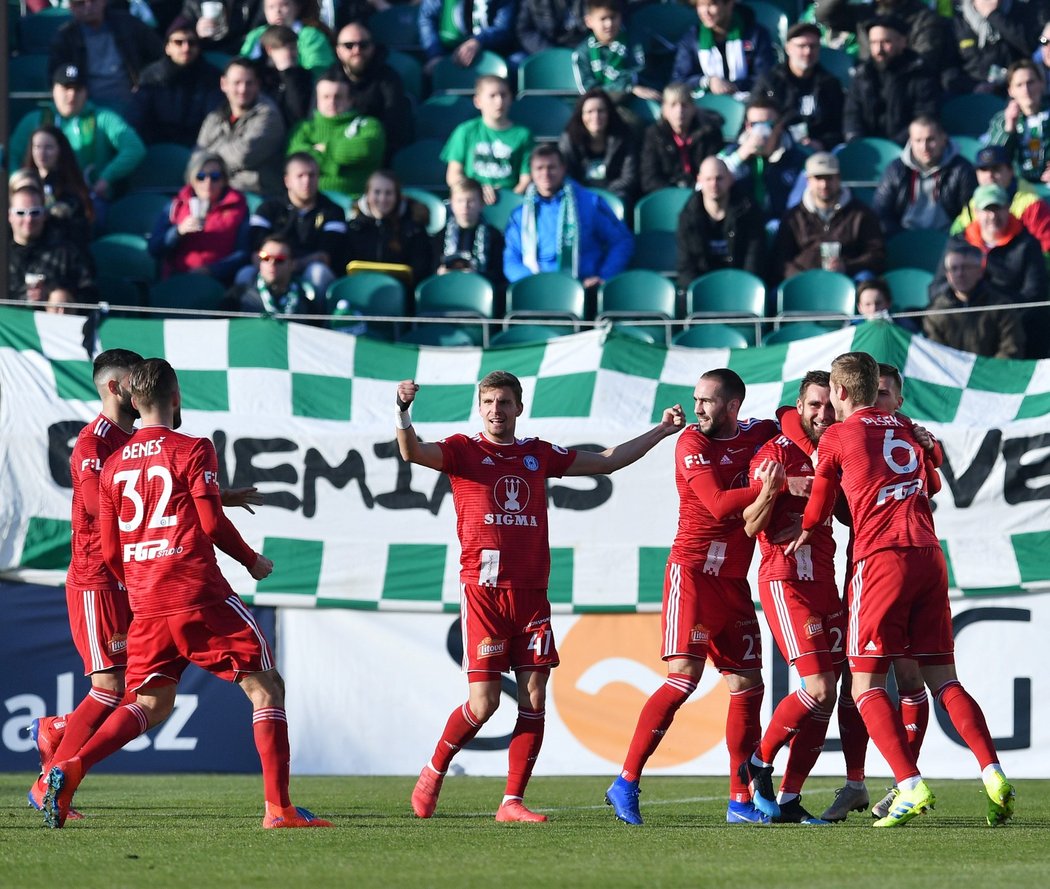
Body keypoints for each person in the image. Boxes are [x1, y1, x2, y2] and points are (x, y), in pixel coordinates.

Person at [42, 358, 332, 831]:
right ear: (176, 399)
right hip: (198, 591)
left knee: (152, 703)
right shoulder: (193, 447)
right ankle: (279, 810)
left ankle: (69, 768)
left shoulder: (113, 464)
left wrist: (137, 583)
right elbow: (213, 524)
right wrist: (251, 560)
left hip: (146, 600)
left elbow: (111, 547)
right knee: (266, 687)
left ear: (135, 401)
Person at [398, 371, 685, 821]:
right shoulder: (462, 450)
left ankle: (512, 801)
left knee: (534, 699)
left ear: (519, 407)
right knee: (484, 704)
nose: (497, 409)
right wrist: (402, 411)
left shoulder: (536, 454)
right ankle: (435, 769)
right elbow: (412, 451)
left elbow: (606, 461)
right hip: (485, 595)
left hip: (532, 596)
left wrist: (662, 431)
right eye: (490, 401)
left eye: (505, 402)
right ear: (480, 408)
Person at [786, 351, 1016, 828]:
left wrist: (807, 530)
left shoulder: (837, 435)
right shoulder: (907, 429)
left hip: (881, 558)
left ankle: (908, 784)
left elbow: (822, 502)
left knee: (865, 683)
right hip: (929, 555)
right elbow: (931, 481)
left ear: (843, 393)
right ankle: (992, 773)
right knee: (944, 679)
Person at [605, 368, 778, 826]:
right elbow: (720, 504)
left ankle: (739, 802)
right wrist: (772, 486)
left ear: (733, 406)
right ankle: (626, 781)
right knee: (682, 680)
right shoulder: (691, 444)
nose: (697, 407)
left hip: (733, 581)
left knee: (748, 687)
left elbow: (791, 424)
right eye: (696, 398)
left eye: (707, 400)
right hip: (694, 574)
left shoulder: (760, 432)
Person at [812, 361, 940, 822]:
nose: (881, 402)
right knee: (862, 678)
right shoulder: (873, 431)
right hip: (883, 561)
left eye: (889, 394)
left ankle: (904, 781)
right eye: (877, 392)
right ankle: (859, 783)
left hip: (884, 560)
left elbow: (934, 481)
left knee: (894, 679)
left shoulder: (890, 430)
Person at [739, 370, 844, 825]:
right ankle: (759, 761)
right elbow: (750, 524)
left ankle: (789, 798)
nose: (822, 414)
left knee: (830, 694)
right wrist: (776, 487)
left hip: (826, 578)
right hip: (786, 578)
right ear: (798, 408)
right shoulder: (773, 454)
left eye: (829, 406)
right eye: (813, 405)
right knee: (817, 687)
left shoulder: (838, 449)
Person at [10, 65, 146, 214]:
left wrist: (106, 178)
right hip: (38, 202)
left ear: (86, 92)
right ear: (53, 89)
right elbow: (11, 155)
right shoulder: (34, 120)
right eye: (65, 88)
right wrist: (21, 183)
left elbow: (134, 147)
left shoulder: (102, 118)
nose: (72, 95)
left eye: (77, 89)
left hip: (88, 198)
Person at [935, 184, 1049, 357]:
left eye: (999, 209)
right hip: (964, 326)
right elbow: (938, 287)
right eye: (987, 210)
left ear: (1008, 208)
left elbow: (1035, 294)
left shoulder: (1027, 244)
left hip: (1014, 323)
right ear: (976, 212)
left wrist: (999, 314)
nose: (993, 216)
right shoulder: (958, 244)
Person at [504, 144, 634, 288]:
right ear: (532, 173)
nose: (546, 174)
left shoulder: (589, 203)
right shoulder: (520, 215)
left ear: (563, 168)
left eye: (551, 167)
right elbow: (511, 258)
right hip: (535, 289)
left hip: (583, 288)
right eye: (539, 168)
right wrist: (531, 282)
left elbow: (621, 240)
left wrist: (604, 276)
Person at [771, 151, 886, 281]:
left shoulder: (861, 214)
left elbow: (876, 255)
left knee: (866, 280)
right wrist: (801, 279)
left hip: (848, 281)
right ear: (808, 180)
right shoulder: (793, 217)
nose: (824, 184)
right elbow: (781, 260)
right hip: (804, 284)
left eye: (829, 177)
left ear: (839, 178)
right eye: (818, 178)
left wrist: (847, 267)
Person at [246, 152, 348, 292]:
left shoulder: (333, 211)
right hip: (272, 266)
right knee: (245, 274)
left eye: (312, 175)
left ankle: (313, 314)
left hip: (308, 270)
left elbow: (325, 256)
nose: (306, 181)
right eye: (300, 176)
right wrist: (277, 266)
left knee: (318, 272)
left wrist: (291, 266)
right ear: (287, 181)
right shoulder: (268, 209)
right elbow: (255, 252)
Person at [48, 0, 164, 120]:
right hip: (87, 109)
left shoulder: (128, 24)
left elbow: (161, 57)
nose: (89, 7)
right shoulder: (65, 38)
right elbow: (57, 79)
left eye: (93, 2)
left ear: (104, 2)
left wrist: (144, 82)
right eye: (80, 3)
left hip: (133, 102)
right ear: (71, 7)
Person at [148, 152, 250, 283]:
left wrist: (211, 270)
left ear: (224, 180)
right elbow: (154, 249)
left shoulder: (239, 207)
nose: (207, 182)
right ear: (191, 179)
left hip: (218, 283)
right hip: (177, 279)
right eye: (200, 176)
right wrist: (178, 231)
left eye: (215, 177)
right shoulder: (176, 205)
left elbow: (243, 253)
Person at [196, 57, 288, 198]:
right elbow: (196, 159)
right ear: (224, 84)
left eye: (249, 83)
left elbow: (243, 155)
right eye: (237, 83)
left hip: (255, 194)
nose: (243, 89)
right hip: (216, 193)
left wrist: (209, 161)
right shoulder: (214, 117)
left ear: (258, 85)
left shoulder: (269, 116)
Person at [842, 16, 940, 145]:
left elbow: (924, 115)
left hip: (908, 148)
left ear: (903, 42)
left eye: (886, 42)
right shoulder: (862, 75)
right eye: (874, 43)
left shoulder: (921, 74)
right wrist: (856, 140)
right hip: (868, 150)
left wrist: (891, 147)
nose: (879, 50)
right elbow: (852, 114)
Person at [286, 73, 386, 198]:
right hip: (313, 202)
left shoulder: (368, 125)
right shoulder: (303, 128)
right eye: (326, 97)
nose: (331, 102)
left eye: (338, 97)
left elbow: (366, 149)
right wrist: (338, 161)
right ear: (317, 100)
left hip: (357, 201)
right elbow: (297, 159)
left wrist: (326, 149)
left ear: (350, 100)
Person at [874, 116, 976, 237]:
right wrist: (899, 239)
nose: (924, 147)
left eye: (930, 139)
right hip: (904, 239)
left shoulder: (962, 169)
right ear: (910, 142)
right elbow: (881, 213)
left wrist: (955, 240)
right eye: (918, 141)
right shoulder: (896, 169)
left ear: (944, 139)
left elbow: (970, 215)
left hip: (948, 240)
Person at [717, 96, 808, 229]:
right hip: (739, 227)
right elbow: (704, 187)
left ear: (779, 126)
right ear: (747, 126)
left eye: (767, 124)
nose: (760, 130)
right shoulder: (729, 155)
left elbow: (798, 204)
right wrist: (740, 156)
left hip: (783, 228)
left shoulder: (798, 160)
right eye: (754, 124)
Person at [752, 22, 845, 151]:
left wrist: (822, 143)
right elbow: (755, 117)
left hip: (817, 152)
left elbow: (839, 127)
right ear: (788, 48)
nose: (807, 52)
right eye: (801, 46)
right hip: (776, 147)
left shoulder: (830, 84)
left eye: (813, 46)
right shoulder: (769, 81)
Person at [442, 75, 534, 206]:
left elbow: (526, 180)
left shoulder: (523, 135)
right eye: (492, 96)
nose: (499, 101)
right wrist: (478, 191)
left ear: (511, 99)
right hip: (472, 203)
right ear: (477, 101)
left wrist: (508, 200)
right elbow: (453, 175)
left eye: (503, 95)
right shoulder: (465, 131)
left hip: (510, 202)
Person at [676, 155, 765, 289]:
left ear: (730, 178)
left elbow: (754, 260)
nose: (714, 184)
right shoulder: (688, 217)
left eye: (719, 178)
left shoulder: (749, 212)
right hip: (703, 291)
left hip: (740, 288)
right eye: (708, 179)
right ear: (699, 181)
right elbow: (686, 266)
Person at [924, 241, 1025, 358]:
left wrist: (982, 373)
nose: (960, 273)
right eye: (954, 268)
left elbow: (1011, 348)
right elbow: (934, 354)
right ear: (947, 274)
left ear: (980, 271)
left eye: (966, 267)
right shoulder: (936, 312)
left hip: (990, 374)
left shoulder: (1001, 307)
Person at [330, 21, 414, 161]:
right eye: (349, 45)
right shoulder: (329, 80)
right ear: (338, 50)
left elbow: (394, 125)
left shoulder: (388, 78)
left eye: (363, 45)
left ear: (373, 47)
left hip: (377, 154)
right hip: (335, 155)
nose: (356, 51)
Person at [135, 18, 224, 146]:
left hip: (198, 145)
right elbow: (139, 117)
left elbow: (214, 119)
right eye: (178, 42)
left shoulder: (211, 77)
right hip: (157, 144)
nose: (186, 48)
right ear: (167, 48)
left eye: (192, 43)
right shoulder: (151, 77)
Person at [8, 182, 94, 312]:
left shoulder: (66, 252)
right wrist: (22, 296)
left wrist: (54, 295)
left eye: (35, 212)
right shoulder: (4, 254)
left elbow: (90, 295)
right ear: (10, 216)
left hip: (55, 328)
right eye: (21, 212)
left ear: (44, 215)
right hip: (7, 326)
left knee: (59, 297)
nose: (28, 219)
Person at [951, 145, 1050, 255]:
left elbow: (1047, 250)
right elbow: (955, 238)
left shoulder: (1031, 205)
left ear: (1011, 171)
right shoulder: (973, 204)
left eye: (996, 169)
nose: (990, 175)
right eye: (984, 169)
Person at [346, 169, 435, 287]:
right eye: (377, 192)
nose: (382, 199)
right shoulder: (354, 228)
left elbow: (421, 269)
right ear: (367, 194)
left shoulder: (413, 229)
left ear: (397, 196)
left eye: (388, 193)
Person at [671, 0, 776, 99]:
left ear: (729, 3)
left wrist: (734, 86)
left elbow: (765, 77)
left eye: (712, 4)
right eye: (700, 5)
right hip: (705, 106)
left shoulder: (756, 35)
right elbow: (679, 81)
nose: (705, 12)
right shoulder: (691, 39)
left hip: (749, 102)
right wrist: (708, 82)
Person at [814, 0, 950, 74]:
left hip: (908, 88)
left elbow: (925, 58)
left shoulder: (923, 17)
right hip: (867, 87)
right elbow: (824, 14)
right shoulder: (864, 12)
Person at [558, 88, 640, 209]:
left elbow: (629, 176)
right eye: (589, 112)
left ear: (609, 113)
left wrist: (605, 194)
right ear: (581, 115)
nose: (595, 116)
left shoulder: (624, 137)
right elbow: (566, 175)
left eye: (601, 111)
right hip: (579, 195)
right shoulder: (569, 140)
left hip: (615, 194)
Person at [639, 83, 724, 194]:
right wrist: (676, 193)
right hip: (667, 196)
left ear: (693, 108)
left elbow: (715, 170)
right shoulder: (654, 135)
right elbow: (649, 178)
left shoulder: (709, 132)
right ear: (664, 110)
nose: (679, 111)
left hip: (702, 193)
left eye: (684, 105)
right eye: (673, 105)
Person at [21, 126, 95, 252]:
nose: (42, 153)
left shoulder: (71, 188)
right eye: (37, 147)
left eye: (48, 147)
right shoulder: (23, 182)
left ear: (60, 150)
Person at [942, 0, 1039, 96]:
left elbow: (1031, 48)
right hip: (973, 97)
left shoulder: (1020, 11)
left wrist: (993, 15)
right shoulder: (958, 23)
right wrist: (974, 86)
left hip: (1015, 94)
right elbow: (948, 70)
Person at [570, 0, 660, 101]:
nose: (609, 24)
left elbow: (637, 72)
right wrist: (628, 87)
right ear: (589, 22)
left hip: (635, 101)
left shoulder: (635, 42)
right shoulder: (582, 53)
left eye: (613, 17)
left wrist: (627, 87)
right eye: (603, 19)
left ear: (620, 17)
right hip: (602, 107)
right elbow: (590, 92)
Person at [434, 177, 505, 294]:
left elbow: (498, 273)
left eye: (471, 201)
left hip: (479, 292)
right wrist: (441, 273)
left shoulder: (494, 236)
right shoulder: (440, 236)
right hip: (446, 289)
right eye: (460, 201)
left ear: (482, 204)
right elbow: (431, 269)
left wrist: (476, 275)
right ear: (451, 204)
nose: (465, 206)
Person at [232, 234, 327, 322]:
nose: (272, 264)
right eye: (266, 258)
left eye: (280, 259)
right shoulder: (238, 296)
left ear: (292, 264)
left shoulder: (306, 303)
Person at [984, 60, 1050, 185]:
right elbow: (990, 159)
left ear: (1042, 83)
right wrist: (1009, 128)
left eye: (1030, 82)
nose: (1026, 90)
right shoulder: (1001, 120)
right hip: (1017, 188)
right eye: (1019, 85)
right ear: (1010, 90)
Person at [418, 0, 516, 75]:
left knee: (515, 63)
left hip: (493, 52)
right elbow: (427, 18)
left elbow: (503, 28)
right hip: (446, 51)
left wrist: (477, 41)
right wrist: (435, 54)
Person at [239, 0, 336, 73]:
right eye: (271, 7)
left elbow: (318, 70)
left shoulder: (311, 36)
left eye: (284, 4)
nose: (277, 11)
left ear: (297, 7)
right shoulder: (255, 35)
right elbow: (241, 65)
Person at [256, 25, 314, 128]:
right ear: (270, 50)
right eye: (289, 49)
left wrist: (289, 74)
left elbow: (298, 113)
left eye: (295, 48)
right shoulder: (257, 76)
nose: (295, 53)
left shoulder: (303, 76)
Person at [515, 0, 590, 61]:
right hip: (546, 47)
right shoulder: (531, 2)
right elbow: (525, 31)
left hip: (581, 46)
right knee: (516, 61)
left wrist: (582, 50)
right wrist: (550, 52)